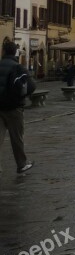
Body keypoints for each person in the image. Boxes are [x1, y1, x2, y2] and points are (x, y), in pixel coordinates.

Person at [0, 42, 34, 173]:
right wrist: (21, 96)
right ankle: (22, 164)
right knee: (17, 138)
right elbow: (31, 86)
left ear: (3, 51)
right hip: (14, 108)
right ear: (15, 53)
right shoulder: (18, 67)